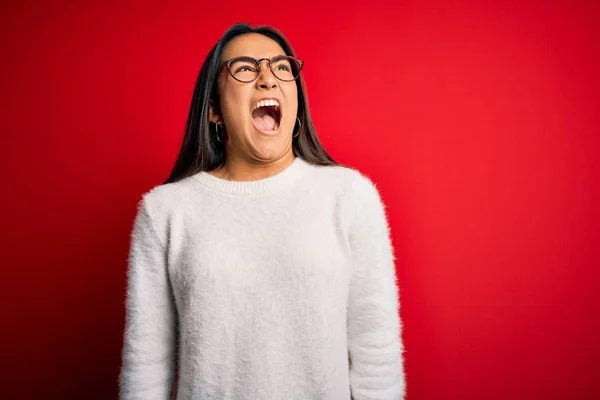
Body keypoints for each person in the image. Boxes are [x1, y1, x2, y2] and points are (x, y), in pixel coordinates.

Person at [119, 23, 406, 400]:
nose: (268, 79)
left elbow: (376, 349)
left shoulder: (349, 195)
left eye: (281, 68)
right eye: (245, 68)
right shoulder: (165, 211)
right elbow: (146, 364)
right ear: (214, 112)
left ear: (296, 99)